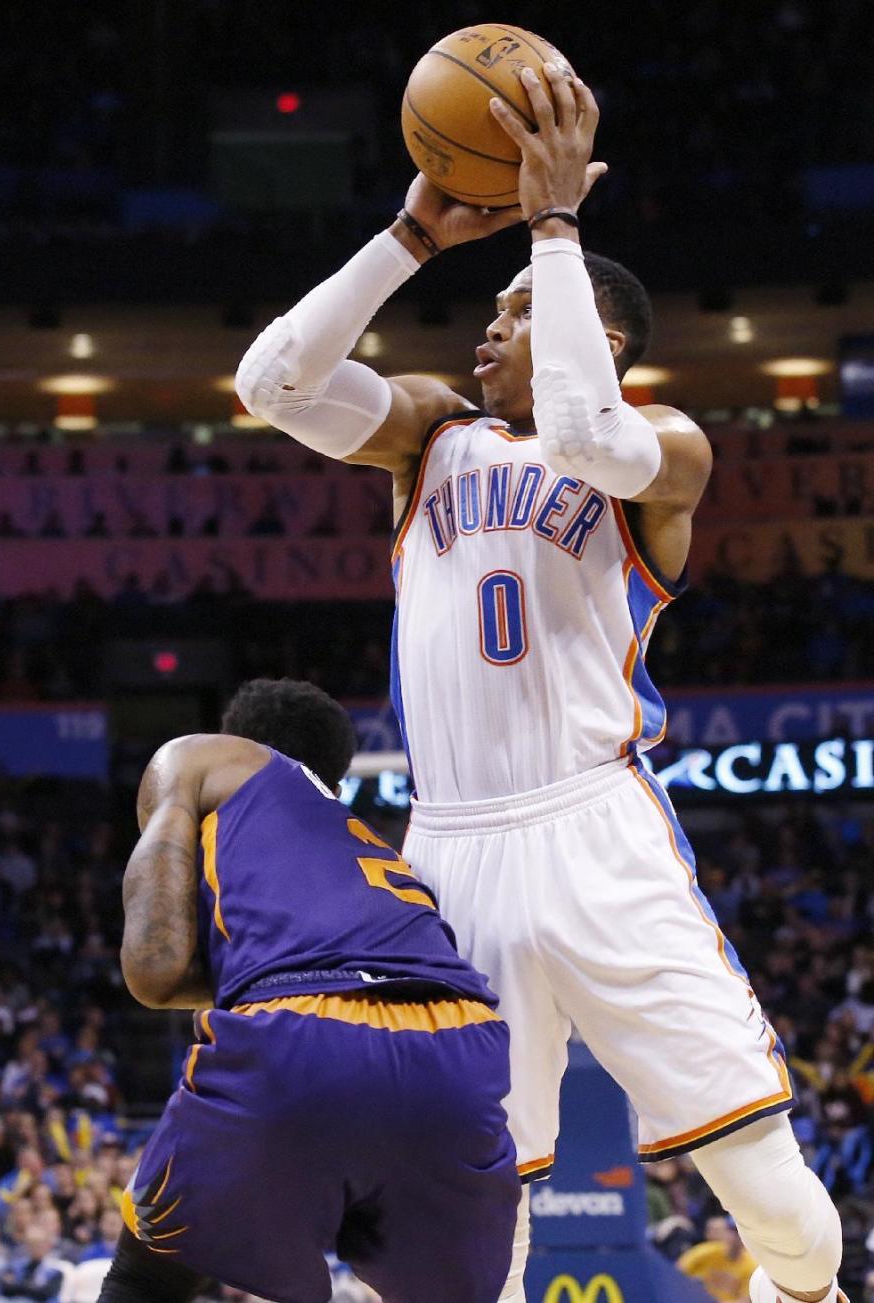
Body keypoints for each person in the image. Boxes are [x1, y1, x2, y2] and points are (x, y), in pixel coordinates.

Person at [235, 61, 846, 1303]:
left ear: (592, 331)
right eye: (497, 310)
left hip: (596, 828)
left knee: (774, 1194)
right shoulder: (429, 435)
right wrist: (414, 233)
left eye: (513, 312)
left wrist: (556, 229)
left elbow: (581, 434)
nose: (488, 326)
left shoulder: (666, 446)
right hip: (450, 851)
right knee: (467, 1215)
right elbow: (271, 384)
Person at [99, 678, 519, 1303]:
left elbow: (154, 970)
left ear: (234, 736)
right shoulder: (372, 849)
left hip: (303, 1032)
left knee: (149, 1275)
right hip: (461, 1050)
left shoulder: (208, 758)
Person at [678, 1215, 758, 1302]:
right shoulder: (707, 1251)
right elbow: (677, 1271)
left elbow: (745, 1300)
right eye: (732, 1231)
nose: (735, 1237)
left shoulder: (751, 1266)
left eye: (740, 1233)